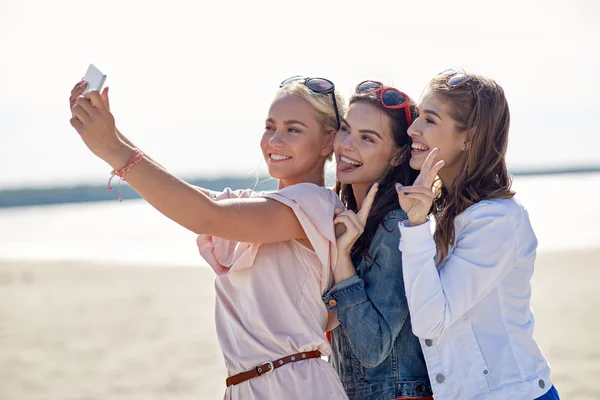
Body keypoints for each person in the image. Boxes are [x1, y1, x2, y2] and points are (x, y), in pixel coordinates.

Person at [68, 75, 350, 399]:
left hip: (294, 388)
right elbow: (183, 195)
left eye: (293, 129)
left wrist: (114, 149)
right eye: (270, 126)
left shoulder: (314, 204)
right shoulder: (264, 208)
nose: (274, 139)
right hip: (250, 386)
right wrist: (108, 134)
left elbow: (206, 215)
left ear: (329, 141)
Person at [395, 69, 560, 400]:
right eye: (417, 117)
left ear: (469, 137)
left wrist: (415, 227)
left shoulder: (496, 221)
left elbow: (430, 322)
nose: (412, 129)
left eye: (429, 120)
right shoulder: (439, 209)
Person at [322, 81, 433, 399]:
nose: (347, 145)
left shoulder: (395, 227)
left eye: (367, 138)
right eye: (346, 130)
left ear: (399, 154)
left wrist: (342, 261)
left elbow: (372, 348)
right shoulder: (350, 219)